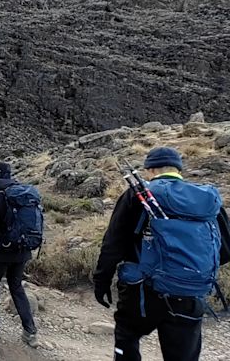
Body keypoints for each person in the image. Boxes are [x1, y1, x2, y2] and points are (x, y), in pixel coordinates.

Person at [93, 147, 230, 361]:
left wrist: (101, 281)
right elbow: (226, 249)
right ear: (178, 169)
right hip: (190, 295)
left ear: (150, 170)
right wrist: (187, 270)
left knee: (127, 336)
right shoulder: (207, 200)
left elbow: (113, 244)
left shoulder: (139, 193)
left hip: (143, 293)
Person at [0, 162, 39, 348]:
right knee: (16, 287)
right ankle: (30, 331)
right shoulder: (25, 195)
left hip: (0, 253)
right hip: (23, 251)